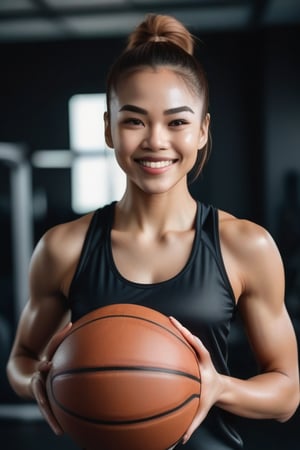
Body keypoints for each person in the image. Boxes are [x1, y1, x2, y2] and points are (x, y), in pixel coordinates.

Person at [6, 13, 299, 450]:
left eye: (178, 122)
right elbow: (20, 361)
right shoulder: (62, 247)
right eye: (134, 121)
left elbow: (287, 394)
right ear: (108, 128)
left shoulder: (245, 245)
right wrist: (41, 381)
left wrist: (218, 387)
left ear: (202, 131)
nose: (155, 141)